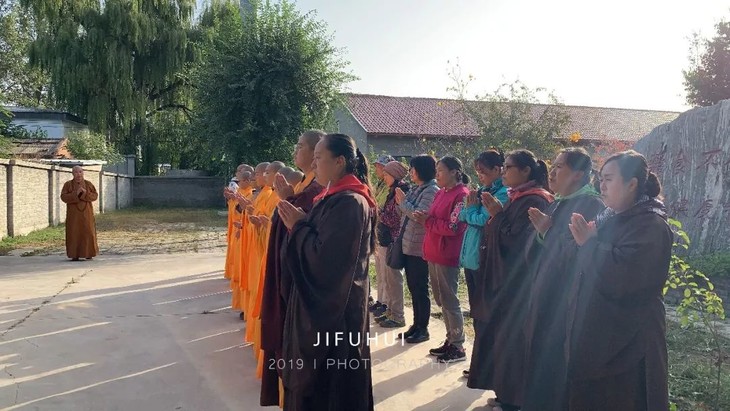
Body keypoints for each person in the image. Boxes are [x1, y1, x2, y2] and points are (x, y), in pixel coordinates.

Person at [566, 150, 672, 411]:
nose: (601, 185)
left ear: (632, 184)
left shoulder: (651, 224)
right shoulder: (609, 218)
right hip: (599, 336)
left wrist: (589, 245)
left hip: (629, 339)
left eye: (609, 179)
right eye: (601, 179)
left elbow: (626, 277)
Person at [276, 133, 376, 410]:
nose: (313, 164)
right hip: (322, 306)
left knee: (331, 387)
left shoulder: (350, 203)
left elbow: (326, 262)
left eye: (319, 158)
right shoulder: (331, 197)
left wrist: (298, 226)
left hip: (336, 312)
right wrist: (300, 224)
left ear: (340, 161)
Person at [467, 149, 553, 411]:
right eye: (503, 167)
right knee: (502, 340)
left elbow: (519, 243)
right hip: (504, 281)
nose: (503, 172)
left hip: (518, 284)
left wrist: (498, 215)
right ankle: (504, 394)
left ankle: (514, 400)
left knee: (514, 343)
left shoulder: (535, 200)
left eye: (508, 167)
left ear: (526, 171)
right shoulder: (517, 197)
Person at [520, 148, 605, 410]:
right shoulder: (559, 201)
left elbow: (579, 254)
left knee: (555, 360)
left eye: (559, 167)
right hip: (545, 291)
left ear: (578, 174)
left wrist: (547, 231)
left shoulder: (590, 205)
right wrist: (542, 233)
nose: (552, 172)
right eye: (553, 166)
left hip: (564, 299)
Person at [260, 130, 325, 407]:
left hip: (298, 286)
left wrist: (288, 200)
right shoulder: (304, 187)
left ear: (317, 154)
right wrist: (288, 198)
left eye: (300, 146)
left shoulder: (317, 191)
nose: (295, 151)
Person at [411, 156, 469, 363]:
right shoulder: (441, 192)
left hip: (447, 254)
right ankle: (450, 339)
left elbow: (454, 227)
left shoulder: (462, 195)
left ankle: (458, 345)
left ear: (454, 172)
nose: (437, 175)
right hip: (434, 251)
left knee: (450, 300)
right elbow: (434, 218)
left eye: (441, 170)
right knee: (441, 299)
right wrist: (424, 217)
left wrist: (428, 221)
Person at [458, 150, 508, 377]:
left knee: (485, 316)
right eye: (477, 172)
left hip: (484, 260)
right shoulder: (482, 191)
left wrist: (471, 210)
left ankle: (486, 366)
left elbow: (483, 220)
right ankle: (479, 363)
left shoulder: (503, 193)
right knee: (477, 314)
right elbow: (461, 216)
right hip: (471, 258)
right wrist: (469, 210)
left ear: (498, 169)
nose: (480, 176)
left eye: (484, 171)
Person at [394, 155, 439, 344]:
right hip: (408, 244)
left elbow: (418, 214)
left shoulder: (431, 190)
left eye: (413, 169)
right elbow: (405, 211)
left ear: (422, 170)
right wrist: (402, 204)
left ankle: (423, 328)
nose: (411, 172)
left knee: (420, 288)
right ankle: (416, 325)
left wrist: (403, 202)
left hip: (419, 247)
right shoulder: (417, 188)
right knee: (413, 287)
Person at [374, 160, 410, 328]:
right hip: (386, 239)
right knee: (387, 278)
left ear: (395, 175)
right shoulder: (390, 190)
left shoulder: (401, 191)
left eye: (387, 174)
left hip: (394, 240)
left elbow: (395, 219)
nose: (384, 177)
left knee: (394, 279)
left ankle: (398, 315)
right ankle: (390, 311)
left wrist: (378, 214)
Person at [369, 153, 396, 316]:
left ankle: (386, 303)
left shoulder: (393, 188)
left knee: (387, 273)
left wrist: (377, 211)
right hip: (379, 232)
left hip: (388, 235)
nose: (377, 169)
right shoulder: (381, 184)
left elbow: (384, 208)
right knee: (379, 271)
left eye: (380, 166)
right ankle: (380, 300)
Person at [60, 166, 99, 261]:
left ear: (83, 173)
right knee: (74, 232)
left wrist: (85, 193)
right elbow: (63, 197)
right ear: (72, 173)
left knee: (88, 231)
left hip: (87, 213)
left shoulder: (88, 184)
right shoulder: (68, 185)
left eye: (80, 172)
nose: (78, 174)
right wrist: (75, 194)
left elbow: (95, 196)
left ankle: (89, 253)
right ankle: (74, 254)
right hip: (73, 215)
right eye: (76, 172)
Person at [229, 170, 255, 313]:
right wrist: (233, 199)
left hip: (252, 238)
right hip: (243, 232)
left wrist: (245, 225)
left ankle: (247, 309)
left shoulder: (255, 194)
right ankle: (243, 307)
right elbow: (240, 211)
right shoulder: (249, 194)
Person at [224, 164, 251, 280]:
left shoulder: (251, 192)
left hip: (244, 226)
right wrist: (231, 198)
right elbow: (236, 207)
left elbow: (247, 209)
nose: (238, 182)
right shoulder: (240, 190)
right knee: (234, 252)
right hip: (236, 224)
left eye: (239, 171)